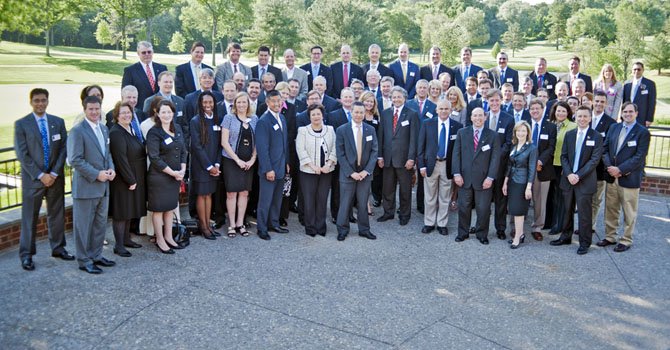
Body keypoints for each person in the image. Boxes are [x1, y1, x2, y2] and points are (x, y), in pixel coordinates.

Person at [15, 88, 72, 271]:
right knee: (29, 219)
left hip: (55, 179)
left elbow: (63, 149)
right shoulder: (22, 124)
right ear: (31, 102)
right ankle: (27, 255)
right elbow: (22, 155)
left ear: (48, 101)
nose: (40, 103)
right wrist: (41, 175)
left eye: (43, 100)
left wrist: (54, 173)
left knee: (57, 215)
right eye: (37, 100)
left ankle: (58, 248)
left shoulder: (57, 122)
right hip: (34, 180)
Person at [67, 96, 116, 274]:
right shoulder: (77, 131)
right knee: (83, 227)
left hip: (104, 188)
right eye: (91, 109)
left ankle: (96, 255)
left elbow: (107, 154)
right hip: (86, 188)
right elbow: (75, 160)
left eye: (97, 109)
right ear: (85, 110)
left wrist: (111, 169)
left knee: (100, 225)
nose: (95, 112)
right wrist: (97, 174)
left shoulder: (103, 129)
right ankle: (84, 260)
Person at [598, 102, 651, 252]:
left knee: (629, 210)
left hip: (629, 177)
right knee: (611, 208)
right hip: (612, 176)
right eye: (625, 112)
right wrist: (610, 168)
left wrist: (620, 170)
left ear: (636, 113)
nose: (627, 114)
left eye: (630, 112)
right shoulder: (614, 127)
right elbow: (605, 148)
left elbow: (639, 157)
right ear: (621, 114)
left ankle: (626, 239)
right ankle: (610, 236)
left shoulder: (642, 132)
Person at [550, 106, 603, 255]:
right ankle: (566, 236)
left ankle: (585, 242)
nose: (582, 119)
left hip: (584, 181)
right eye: (579, 116)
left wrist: (578, 175)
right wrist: (569, 174)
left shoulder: (596, 136)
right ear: (575, 117)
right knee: (567, 210)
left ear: (590, 118)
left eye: (585, 116)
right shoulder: (570, 135)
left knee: (584, 214)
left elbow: (594, 160)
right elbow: (563, 156)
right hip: (568, 179)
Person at [452, 107, 501, 244]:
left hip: (484, 179)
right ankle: (463, 232)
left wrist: (490, 177)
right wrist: (457, 174)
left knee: (483, 209)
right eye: (475, 115)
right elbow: (456, 154)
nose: (478, 118)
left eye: (481, 115)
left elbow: (495, 158)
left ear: (485, 118)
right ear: (471, 118)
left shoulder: (493, 135)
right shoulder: (462, 133)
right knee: (463, 207)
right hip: (464, 178)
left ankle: (481, 234)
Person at [146, 100, 187, 253]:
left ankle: (169, 237)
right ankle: (160, 239)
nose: (166, 115)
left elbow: (183, 150)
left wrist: (182, 169)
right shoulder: (154, 132)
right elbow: (155, 157)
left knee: (170, 208)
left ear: (173, 113)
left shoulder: (177, 128)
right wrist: (173, 173)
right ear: (157, 113)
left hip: (175, 176)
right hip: (160, 177)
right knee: (158, 210)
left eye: (169, 112)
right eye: (163, 112)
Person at [417, 99, 462, 235]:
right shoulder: (427, 124)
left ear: (450, 110)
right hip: (431, 164)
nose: (443, 111)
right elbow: (421, 146)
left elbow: (457, 151)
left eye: (446, 109)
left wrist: (456, 170)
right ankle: (429, 222)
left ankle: (442, 223)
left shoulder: (457, 126)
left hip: (447, 165)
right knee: (430, 196)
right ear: (436, 110)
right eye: (441, 109)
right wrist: (421, 166)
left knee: (445, 196)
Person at [335, 102, 378, 241]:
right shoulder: (342, 130)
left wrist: (367, 171)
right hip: (348, 174)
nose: (359, 115)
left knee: (363, 203)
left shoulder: (370, 130)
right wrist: (351, 172)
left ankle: (364, 229)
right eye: (356, 112)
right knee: (345, 203)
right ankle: (342, 229)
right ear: (351, 113)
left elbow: (374, 151)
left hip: (365, 174)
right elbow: (340, 154)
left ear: (365, 113)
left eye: (361, 112)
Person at [376, 87, 419, 226]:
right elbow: (381, 136)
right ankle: (388, 212)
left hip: (404, 159)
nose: (396, 99)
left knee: (405, 189)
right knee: (387, 188)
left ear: (405, 98)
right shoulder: (385, 113)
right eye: (394, 97)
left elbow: (414, 138)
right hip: (387, 158)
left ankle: (404, 214)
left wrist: (411, 158)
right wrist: (380, 156)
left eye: (399, 97)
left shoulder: (412, 114)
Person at [108, 102, 146, 257]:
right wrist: (130, 180)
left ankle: (126, 240)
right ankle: (118, 245)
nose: (126, 115)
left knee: (129, 209)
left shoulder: (130, 129)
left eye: (128, 113)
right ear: (116, 116)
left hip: (135, 174)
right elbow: (120, 159)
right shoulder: (116, 132)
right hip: (124, 179)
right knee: (121, 212)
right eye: (122, 113)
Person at [221, 92, 258, 238]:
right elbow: (224, 142)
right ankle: (231, 224)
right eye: (239, 102)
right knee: (231, 193)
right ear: (235, 104)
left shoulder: (254, 119)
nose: (241, 105)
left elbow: (257, 141)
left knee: (244, 193)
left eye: (244, 102)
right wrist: (237, 160)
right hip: (231, 161)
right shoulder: (228, 118)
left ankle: (240, 223)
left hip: (248, 162)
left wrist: (253, 159)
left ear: (248, 104)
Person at [296, 104, 337, 237]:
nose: (316, 116)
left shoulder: (330, 130)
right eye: (313, 114)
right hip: (308, 172)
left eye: (318, 114)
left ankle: (321, 227)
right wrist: (313, 167)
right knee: (309, 200)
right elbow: (300, 150)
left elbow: (335, 148)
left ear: (322, 115)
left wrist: (328, 164)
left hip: (326, 171)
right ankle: (310, 227)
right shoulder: (303, 130)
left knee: (322, 199)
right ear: (309, 116)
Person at [255, 90, 289, 240]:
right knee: (265, 200)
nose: (276, 104)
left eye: (279, 101)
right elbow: (262, 149)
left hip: (281, 166)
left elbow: (284, 143)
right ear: (267, 102)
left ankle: (273, 223)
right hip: (269, 168)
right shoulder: (264, 121)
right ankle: (262, 228)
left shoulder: (282, 117)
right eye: (273, 101)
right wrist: (268, 168)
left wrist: (286, 162)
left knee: (277, 199)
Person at [189, 92, 222, 239]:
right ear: (200, 104)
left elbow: (220, 145)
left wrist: (217, 164)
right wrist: (209, 166)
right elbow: (196, 146)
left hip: (214, 165)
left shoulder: (216, 120)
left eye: (210, 102)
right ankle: (203, 227)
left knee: (209, 195)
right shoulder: (195, 121)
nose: (208, 105)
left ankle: (208, 224)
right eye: (205, 103)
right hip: (202, 166)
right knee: (202, 195)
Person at [503, 121, 537, 248]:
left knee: (518, 211)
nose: (520, 133)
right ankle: (521, 234)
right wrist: (505, 182)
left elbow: (532, 169)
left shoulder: (532, 148)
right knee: (514, 210)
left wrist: (529, 187)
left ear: (528, 133)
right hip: (512, 181)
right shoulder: (514, 146)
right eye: (518, 131)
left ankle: (517, 237)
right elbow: (509, 165)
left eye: (523, 131)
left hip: (522, 183)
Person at [526, 99, 557, 241]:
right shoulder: (524, 125)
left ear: (543, 109)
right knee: (521, 198)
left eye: (537, 108)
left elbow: (551, 147)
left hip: (542, 168)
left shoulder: (550, 127)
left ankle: (537, 227)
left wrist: (540, 161)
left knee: (540, 200)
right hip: (524, 168)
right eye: (532, 108)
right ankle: (516, 226)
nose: (535, 111)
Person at [547, 101, 576, 235]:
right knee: (550, 196)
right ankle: (549, 222)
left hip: (562, 166)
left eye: (564, 111)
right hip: (550, 164)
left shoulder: (572, 126)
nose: (561, 113)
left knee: (560, 197)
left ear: (568, 113)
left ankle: (559, 225)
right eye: (558, 110)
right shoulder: (550, 124)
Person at [589, 91, 615, 234]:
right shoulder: (584, 117)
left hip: (599, 169)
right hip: (582, 168)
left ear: (606, 104)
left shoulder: (611, 123)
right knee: (584, 199)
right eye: (597, 101)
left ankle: (590, 225)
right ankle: (584, 223)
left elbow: (608, 147)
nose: (599, 104)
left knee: (596, 200)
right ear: (593, 102)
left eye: (602, 102)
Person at [122, 41, 168, 107]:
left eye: (149, 52)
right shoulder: (130, 71)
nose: (147, 54)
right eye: (143, 52)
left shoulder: (162, 68)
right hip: (140, 110)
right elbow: (125, 94)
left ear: (153, 52)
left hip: (160, 109)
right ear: (138, 53)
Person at [360, 91, 383, 209]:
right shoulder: (359, 115)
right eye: (367, 101)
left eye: (371, 101)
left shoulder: (377, 117)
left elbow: (380, 135)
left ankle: (376, 198)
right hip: (361, 151)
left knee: (374, 178)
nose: (369, 104)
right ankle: (365, 204)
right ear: (362, 101)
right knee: (362, 179)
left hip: (373, 151)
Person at [623, 61, 656, 127]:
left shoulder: (650, 84)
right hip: (628, 117)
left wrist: (649, 119)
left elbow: (652, 103)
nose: (636, 71)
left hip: (642, 118)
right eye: (634, 69)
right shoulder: (627, 84)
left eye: (639, 69)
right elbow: (624, 102)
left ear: (643, 70)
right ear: (632, 70)